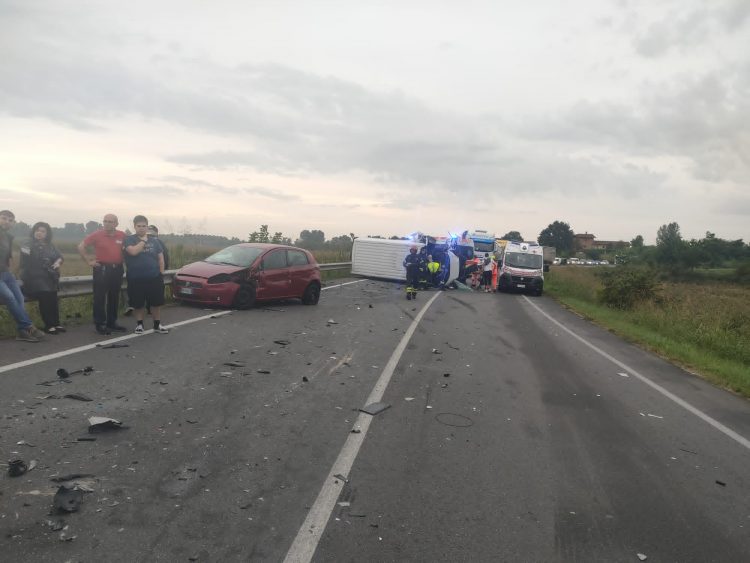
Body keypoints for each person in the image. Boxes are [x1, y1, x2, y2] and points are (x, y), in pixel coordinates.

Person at [0, 210, 45, 342]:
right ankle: (29, 327)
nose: (6, 221)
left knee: (19, 298)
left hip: (6, 274)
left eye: (10, 220)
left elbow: (8, 257)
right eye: (4, 218)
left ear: (13, 223)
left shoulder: (8, 237)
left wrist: (12, 272)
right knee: (9, 297)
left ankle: (21, 332)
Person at [78, 214, 126, 335]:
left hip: (118, 269)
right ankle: (100, 323)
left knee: (114, 297)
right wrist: (89, 261)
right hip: (102, 268)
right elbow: (81, 246)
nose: (107, 223)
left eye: (110, 221)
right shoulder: (97, 234)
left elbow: (128, 248)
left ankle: (112, 322)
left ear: (116, 223)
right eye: (105, 221)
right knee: (100, 297)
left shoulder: (122, 235)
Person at [123, 215, 169, 334]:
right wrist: (143, 240)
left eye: (144, 226)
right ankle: (139, 325)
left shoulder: (155, 241)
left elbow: (160, 258)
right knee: (138, 304)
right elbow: (133, 252)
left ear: (147, 226)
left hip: (154, 277)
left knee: (156, 303)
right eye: (139, 226)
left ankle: (157, 325)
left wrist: (161, 273)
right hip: (135, 278)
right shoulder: (129, 240)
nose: (142, 228)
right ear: (134, 226)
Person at [20, 222, 65, 334]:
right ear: (34, 231)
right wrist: (32, 248)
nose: (39, 233)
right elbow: (26, 256)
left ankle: (56, 323)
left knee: (53, 296)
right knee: (45, 294)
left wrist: (57, 263)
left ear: (47, 233)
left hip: (48, 277)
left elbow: (60, 257)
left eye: (43, 231)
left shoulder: (50, 245)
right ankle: (49, 325)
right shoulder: (27, 243)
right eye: (37, 230)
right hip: (33, 277)